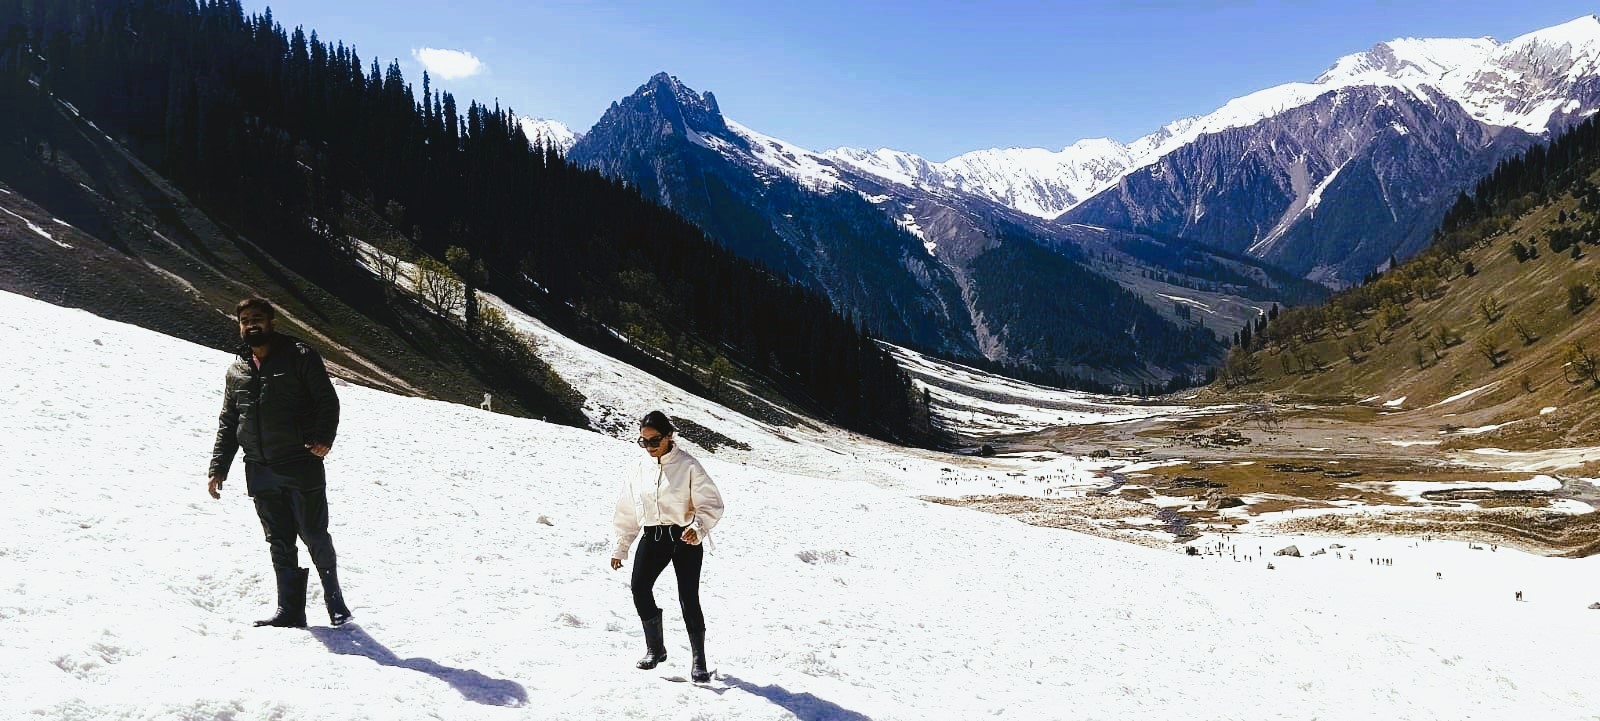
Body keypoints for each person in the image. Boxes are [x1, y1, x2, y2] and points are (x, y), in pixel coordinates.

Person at [207, 297, 353, 628]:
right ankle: (290, 611)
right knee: (279, 539)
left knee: (314, 533)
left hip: (301, 462)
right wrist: (219, 468)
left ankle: (335, 602)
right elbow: (229, 421)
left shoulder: (300, 356)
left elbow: (327, 401)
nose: (251, 324)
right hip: (259, 468)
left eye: (257, 318)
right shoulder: (237, 370)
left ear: (273, 322)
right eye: (244, 320)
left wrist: (324, 439)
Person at [611, 411, 725, 683]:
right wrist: (621, 546)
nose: (649, 447)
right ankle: (656, 648)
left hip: (685, 538)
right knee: (639, 587)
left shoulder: (688, 466)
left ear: (669, 436)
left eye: (655, 441)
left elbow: (711, 503)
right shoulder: (638, 468)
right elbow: (627, 509)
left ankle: (699, 660)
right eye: (644, 442)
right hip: (653, 537)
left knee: (688, 597)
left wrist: (697, 528)